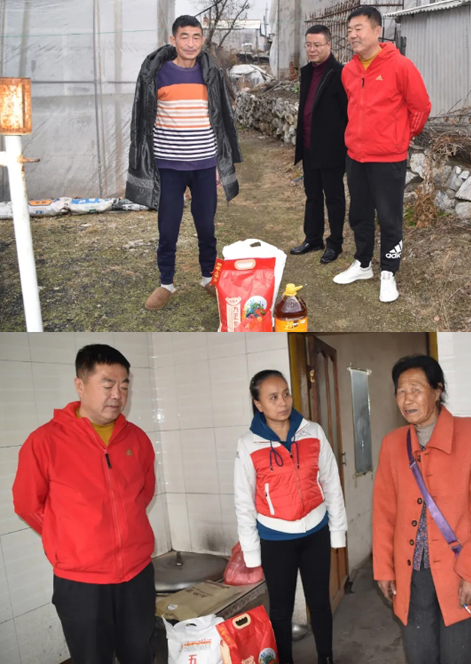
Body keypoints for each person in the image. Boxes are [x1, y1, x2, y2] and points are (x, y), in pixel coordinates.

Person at [13, 344, 156, 664]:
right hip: (81, 583)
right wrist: (71, 537)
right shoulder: (45, 441)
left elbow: (143, 494)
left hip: (137, 575)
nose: (117, 395)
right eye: (107, 384)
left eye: (124, 386)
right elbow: (26, 505)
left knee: (140, 654)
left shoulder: (137, 439)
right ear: (80, 385)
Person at [372, 355, 471, 664]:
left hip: (459, 571)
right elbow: (384, 512)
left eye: (416, 389)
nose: (407, 399)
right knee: (419, 655)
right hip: (412, 572)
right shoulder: (392, 444)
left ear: (437, 390)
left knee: (458, 655)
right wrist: (384, 568)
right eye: (400, 391)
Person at [126, 15, 242, 311]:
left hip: (204, 164)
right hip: (169, 166)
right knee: (168, 229)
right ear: (173, 40)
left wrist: (219, 164)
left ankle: (208, 278)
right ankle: (166, 283)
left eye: (196, 37)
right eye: (184, 36)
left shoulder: (211, 73)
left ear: (202, 40)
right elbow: (143, 120)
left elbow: (221, 118)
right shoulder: (157, 73)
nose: (190, 43)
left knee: (206, 227)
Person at [234, 370, 348, 664]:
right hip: (275, 539)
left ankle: (326, 658)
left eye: (286, 393)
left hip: (316, 532)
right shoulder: (248, 444)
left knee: (320, 603)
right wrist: (251, 551)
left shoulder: (313, 432)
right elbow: (244, 501)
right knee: (281, 611)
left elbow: (331, 482)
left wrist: (337, 531)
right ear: (258, 404)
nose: (283, 402)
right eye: (273, 397)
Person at [334, 6, 431, 303]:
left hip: (388, 158)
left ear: (377, 31)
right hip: (356, 156)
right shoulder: (348, 71)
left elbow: (421, 107)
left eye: (359, 28)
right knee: (359, 214)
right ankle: (363, 263)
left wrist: (401, 137)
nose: (352, 35)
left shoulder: (400, 66)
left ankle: (389, 271)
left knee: (389, 218)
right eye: (349, 30)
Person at [291, 25, 348, 264]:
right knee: (312, 195)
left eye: (317, 45)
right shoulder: (307, 72)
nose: (312, 49)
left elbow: (347, 113)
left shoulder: (340, 73)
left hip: (332, 149)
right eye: (308, 45)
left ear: (329, 45)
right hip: (309, 146)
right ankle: (313, 238)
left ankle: (335, 243)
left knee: (334, 197)